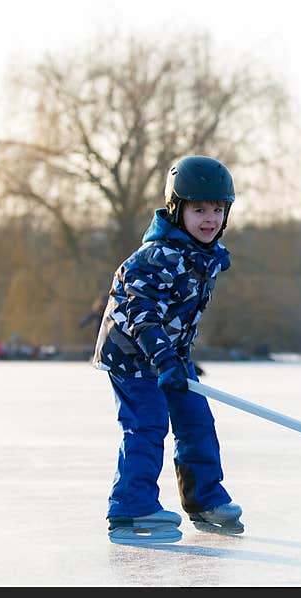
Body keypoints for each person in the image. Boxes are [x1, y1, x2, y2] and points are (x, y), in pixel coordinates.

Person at [92, 155, 242, 546]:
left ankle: (204, 501)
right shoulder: (157, 257)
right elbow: (141, 314)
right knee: (147, 424)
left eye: (217, 209)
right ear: (177, 211)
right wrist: (163, 360)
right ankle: (130, 506)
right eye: (198, 210)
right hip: (132, 355)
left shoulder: (203, 256)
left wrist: (176, 360)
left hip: (170, 357)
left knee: (197, 423)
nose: (209, 219)